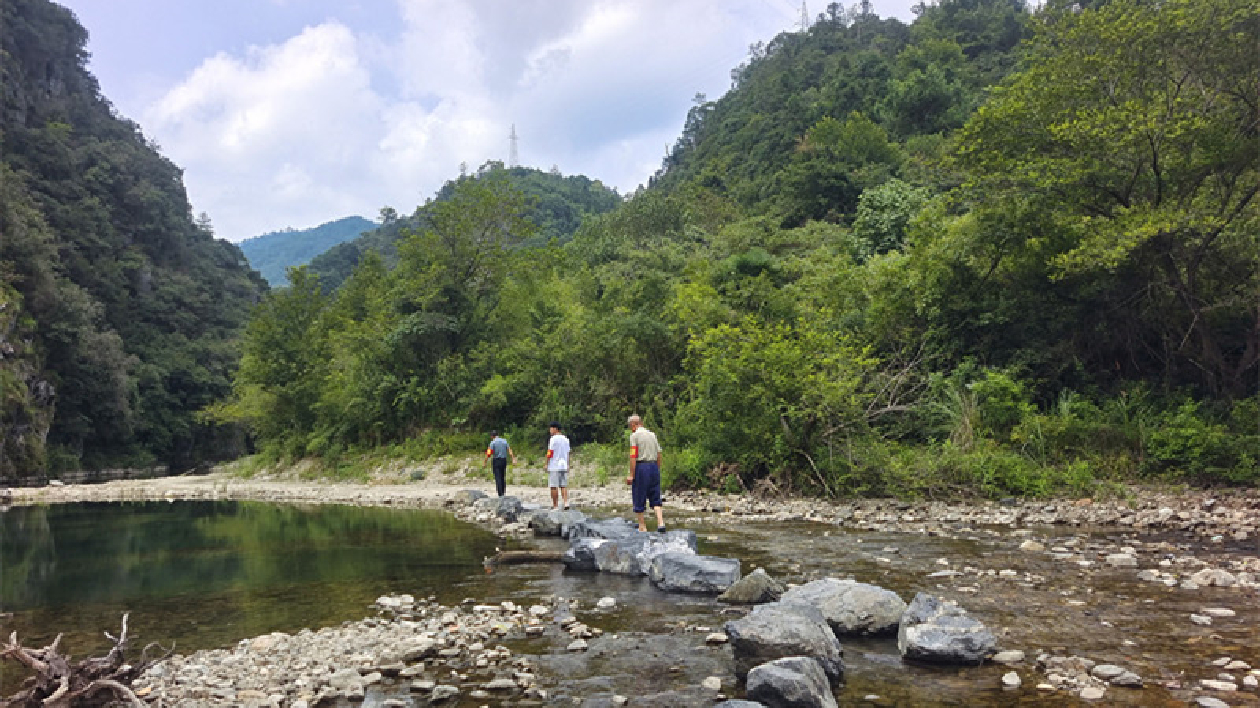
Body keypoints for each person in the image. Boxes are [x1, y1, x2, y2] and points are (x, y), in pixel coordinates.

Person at [625, 414, 665, 532]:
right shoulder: (652, 435)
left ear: (633, 425)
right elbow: (659, 454)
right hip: (654, 467)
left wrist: (631, 475)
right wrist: (657, 469)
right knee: (655, 496)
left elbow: (633, 456)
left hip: (642, 467)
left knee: (639, 495)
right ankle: (661, 523)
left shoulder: (634, 436)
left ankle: (642, 526)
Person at [546, 421, 572, 509]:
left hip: (554, 465)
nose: (550, 430)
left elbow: (550, 452)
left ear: (555, 429)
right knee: (563, 485)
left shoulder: (553, 439)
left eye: (551, 428)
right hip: (564, 465)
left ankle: (555, 505)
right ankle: (566, 503)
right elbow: (568, 453)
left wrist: (546, 463)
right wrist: (568, 464)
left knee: (553, 486)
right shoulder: (566, 439)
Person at [483, 430, 517, 497]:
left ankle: (500, 493)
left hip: (496, 460)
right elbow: (509, 450)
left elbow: (489, 453)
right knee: (502, 476)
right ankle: (503, 492)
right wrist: (513, 459)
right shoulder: (504, 441)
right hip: (504, 460)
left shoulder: (492, 443)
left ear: (492, 436)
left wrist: (485, 462)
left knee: (497, 477)